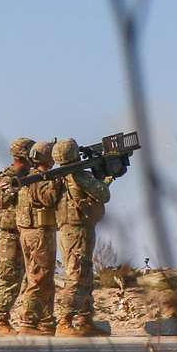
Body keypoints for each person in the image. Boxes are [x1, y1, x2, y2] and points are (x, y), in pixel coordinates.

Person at [52, 138, 112, 337]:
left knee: (85, 274)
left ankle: (85, 320)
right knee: (77, 275)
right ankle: (65, 321)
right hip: (77, 231)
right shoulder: (78, 175)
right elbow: (103, 194)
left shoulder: (58, 176)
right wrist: (107, 179)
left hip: (72, 228)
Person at [15, 141, 62, 336]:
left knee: (44, 277)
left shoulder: (31, 176)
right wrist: (59, 182)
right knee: (39, 278)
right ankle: (28, 322)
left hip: (32, 232)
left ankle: (45, 320)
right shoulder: (39, 178)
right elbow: (49, 199)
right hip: (38, 233)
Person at [0, 137, 35, 335]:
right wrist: (18, 187)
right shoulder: (7, 178)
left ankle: (29, 319)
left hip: (27, 232)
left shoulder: (29, 176)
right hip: (9, 235)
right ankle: (1, 320)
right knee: (9, 277)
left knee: (31, 278)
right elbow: (2, 202)